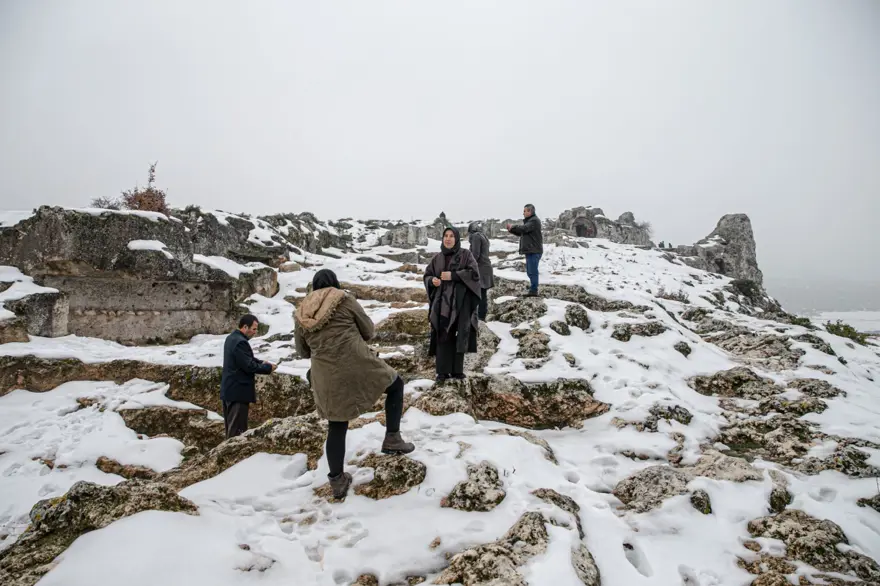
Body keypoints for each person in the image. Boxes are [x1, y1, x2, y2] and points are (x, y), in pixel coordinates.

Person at [294, 269, 414, 500]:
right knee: (395, 385)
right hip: (356, 362)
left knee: (337, 424)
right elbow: (368, 331)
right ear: (335, 283)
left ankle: (337, 480)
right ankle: (392, 438)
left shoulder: (301, 313)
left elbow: (302, 352)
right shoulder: (344, 299)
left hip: (325, 373)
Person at [424, 227, 482, 381]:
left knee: (459, 333)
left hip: (461, 302)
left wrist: (454, 275)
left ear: (456, 239)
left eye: (451, 236)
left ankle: (457, 370)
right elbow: (427, 275)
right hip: (442, 303)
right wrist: (432, 281)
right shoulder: (437, 258)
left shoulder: (466, 255)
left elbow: (475, 274)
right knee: (443, 333)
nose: (448, 239)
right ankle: (442, 371)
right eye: (445, 236)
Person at [220, 314, 276, 439]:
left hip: (230, 391)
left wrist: (261, 362)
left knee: (231, 429)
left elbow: (245, 359)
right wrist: (268, 368)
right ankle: (233, 456)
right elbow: (249, 365)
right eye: (254, 329)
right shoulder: (241, 342)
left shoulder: (231, 338)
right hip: (238, 393)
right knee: (237, 434)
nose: (255, 332)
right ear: (245, 327)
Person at [507, 204, 543, 297]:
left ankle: (534, 291)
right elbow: (521, 232)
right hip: (530, 250)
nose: (523, 213)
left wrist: (513, 226)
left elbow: (524, 229)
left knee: (532, 271)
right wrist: (511, 230)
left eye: (525, 211)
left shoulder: (534, 221)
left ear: (530, 211)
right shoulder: (530, 221)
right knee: (530, 271)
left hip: (534, 250)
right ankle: (533, 288)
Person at [467, 221, 494, 320]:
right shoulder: (483, 236)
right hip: (486, 268)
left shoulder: (476, 237)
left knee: (480, 294)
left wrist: (468, 266)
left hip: (480, 269)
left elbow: (475, 254)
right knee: (482, 294)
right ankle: (481, 316)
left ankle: (480, 318)